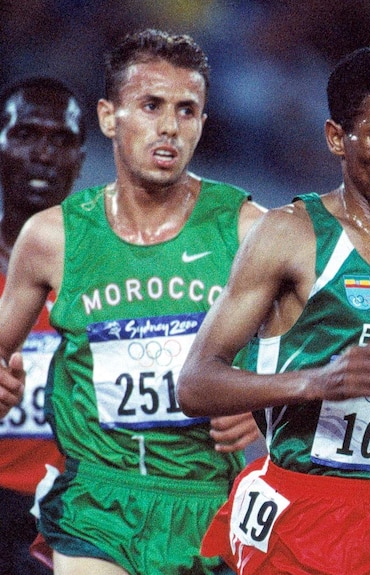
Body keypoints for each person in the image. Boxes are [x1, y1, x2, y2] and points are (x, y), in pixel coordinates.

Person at [177, 45, 370, 575]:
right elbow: (196, 383)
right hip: (302, 512)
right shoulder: (291, 235)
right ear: (338, 138)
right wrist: (316, 383)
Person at [0, 29, 265, 575]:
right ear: (108, 117)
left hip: (208, 498)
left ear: (202, 124)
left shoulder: (249, 229)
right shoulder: (53, 237)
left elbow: (321, 347)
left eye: (186, 110)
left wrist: (265, 407)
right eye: (150, 106)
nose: (169, 126)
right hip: (96, 499)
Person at [0, 77, 85, 575]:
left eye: (61, 140)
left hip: (77, 503)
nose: (43, 155)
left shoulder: (112, 268)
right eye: (27, 134)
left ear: (81, 155)